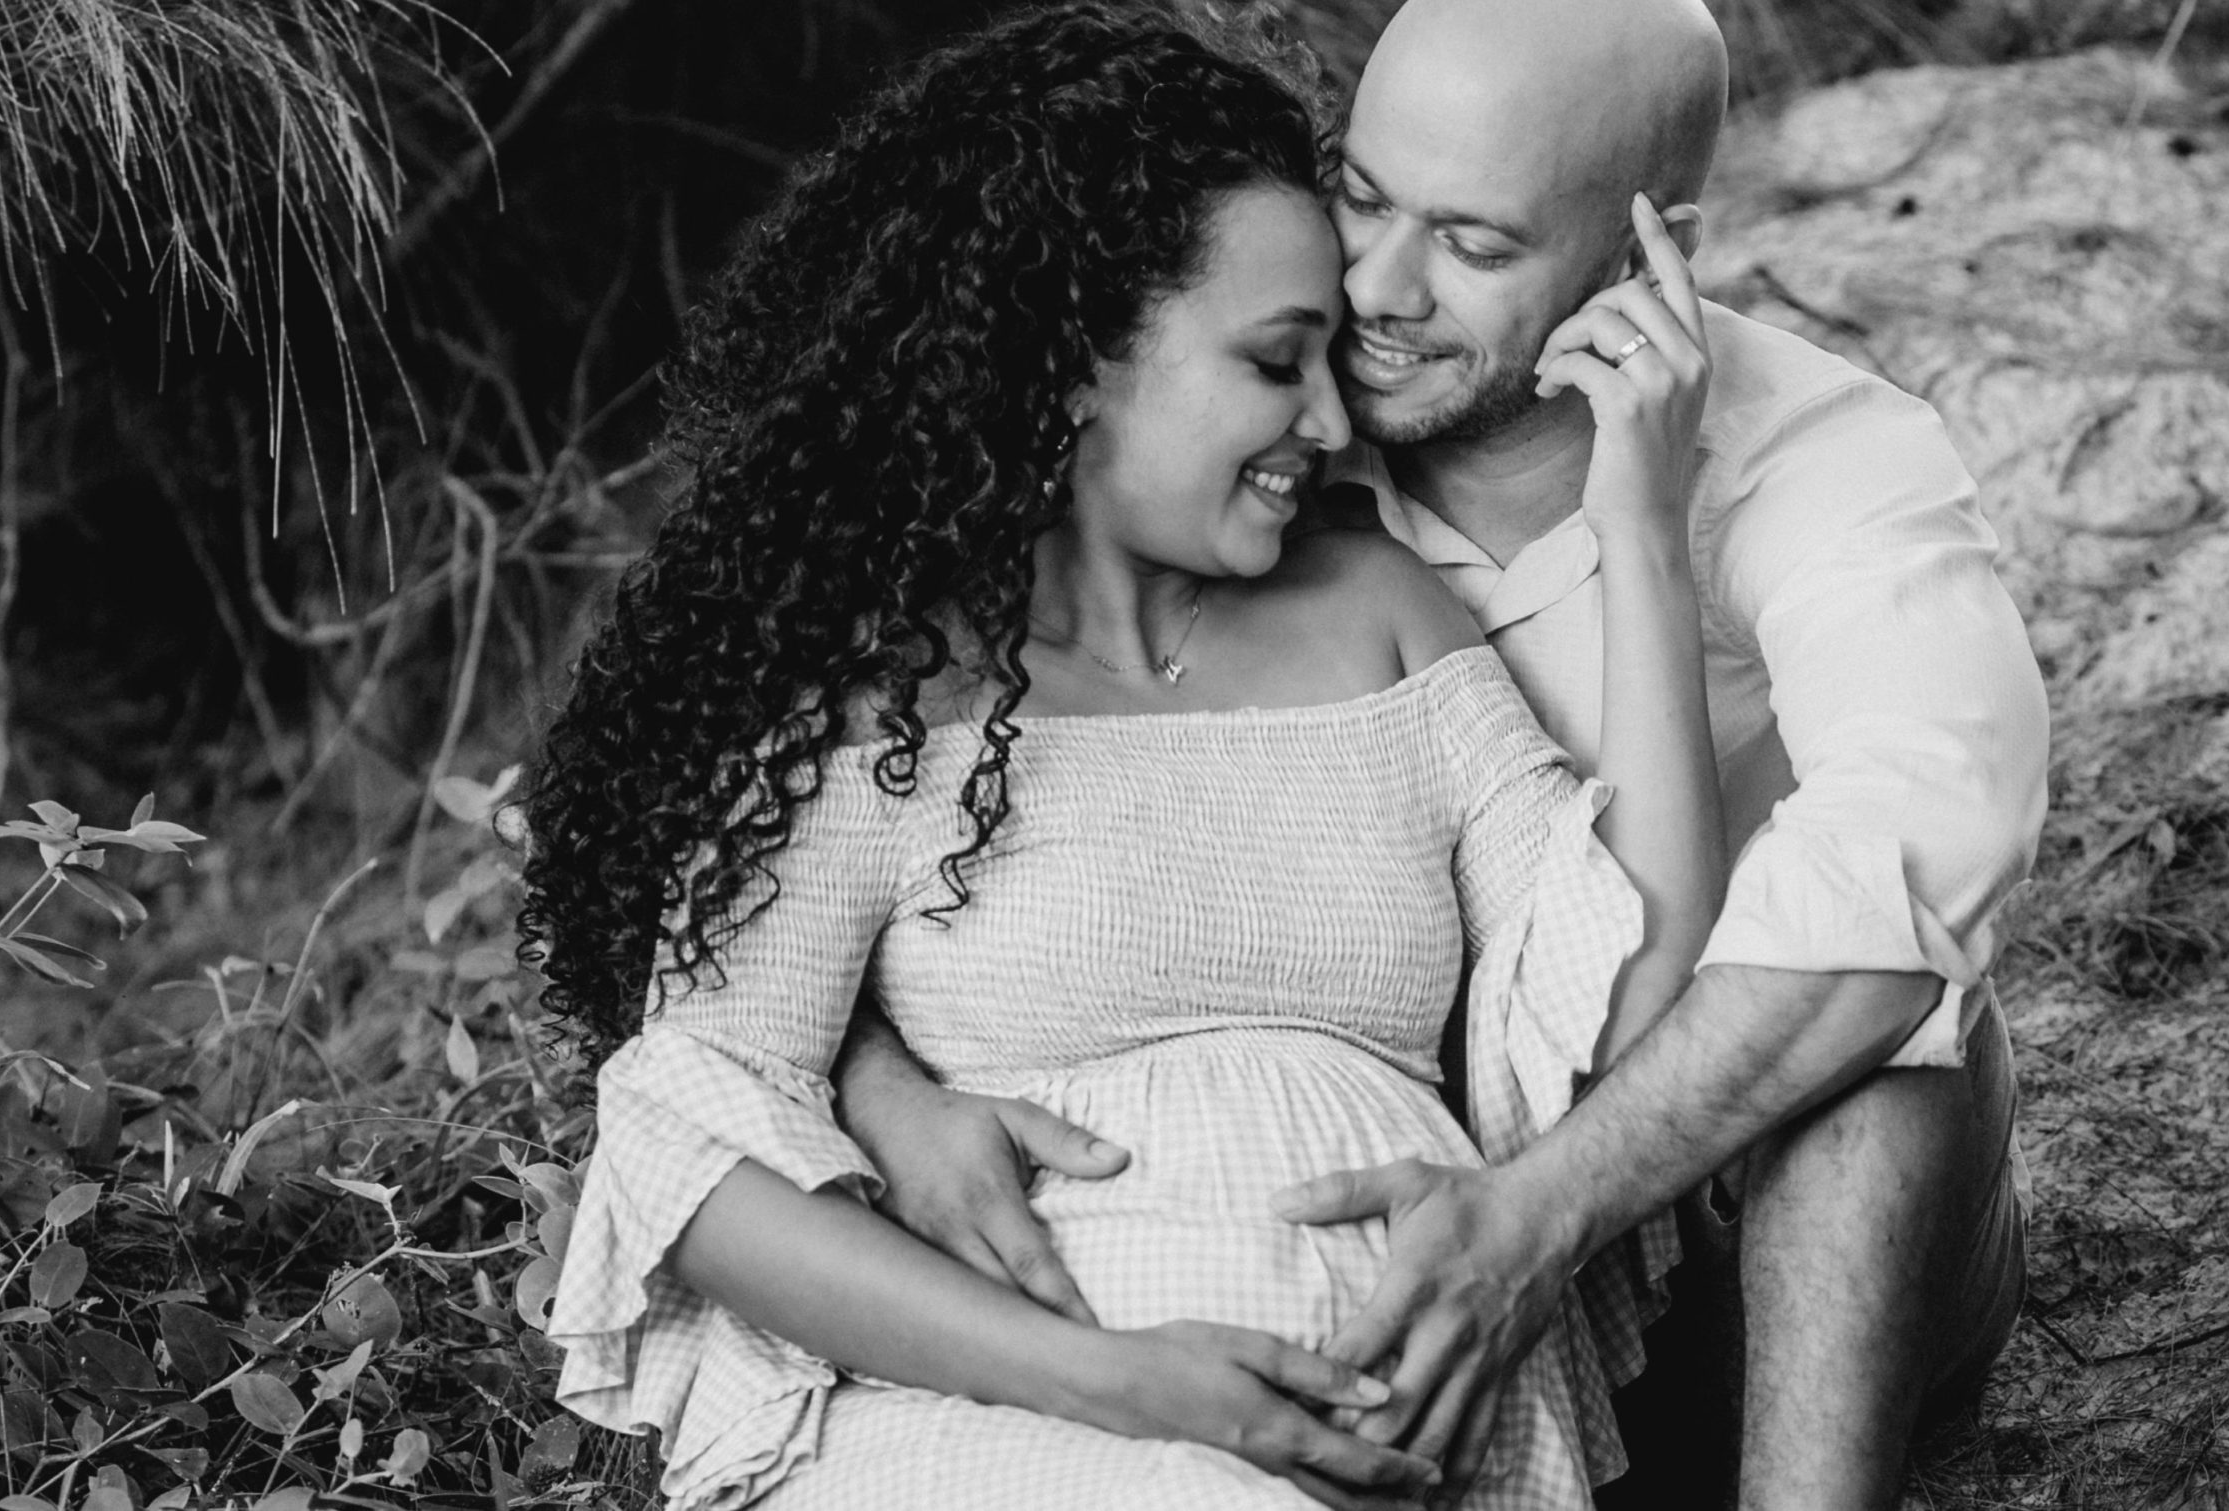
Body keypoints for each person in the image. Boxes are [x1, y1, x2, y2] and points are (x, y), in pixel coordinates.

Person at [835, 0, 2053, 1507]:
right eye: (1362, 196)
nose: (1379, 290)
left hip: (1752, 1260)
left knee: (1886, 1026)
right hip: (1408, 1287)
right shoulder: (1261, 426)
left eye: (1473, 246)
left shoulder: (1823, 464)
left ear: (1645, 252)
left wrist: (1543, 1211)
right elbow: (794, 813)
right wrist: (881, 1086)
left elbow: (1925, 843)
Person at [521, 6, 1730, 1508]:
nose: (1334, 418)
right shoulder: (885, 698)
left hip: (1389, 1448)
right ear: (1077, 359)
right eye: (1278, 362)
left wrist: (1641, 534)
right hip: (996, 1433)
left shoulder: (1377, 615)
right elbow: (694, 1161)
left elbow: (1631, 990)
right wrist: (1121, 1384)